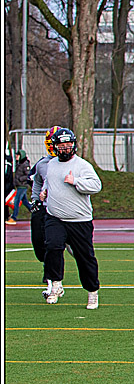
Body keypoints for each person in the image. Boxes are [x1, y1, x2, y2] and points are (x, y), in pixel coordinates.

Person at [40, 127, 103, 309]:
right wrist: (44, 192)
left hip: (79, 220)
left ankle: (92, 292)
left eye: (68, 145)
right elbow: (48, 182)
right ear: (55, 147)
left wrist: (75, 181)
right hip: (55, 217)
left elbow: (96, 186)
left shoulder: (82, 165)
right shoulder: (51, 164)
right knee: (52, 245)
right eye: (62, 145)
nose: (65, 148)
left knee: (85, 257)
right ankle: (56, 283)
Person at [30, 127, 60, 296]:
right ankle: (48, 271)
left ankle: (53, 279)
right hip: (45, 207)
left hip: (65, 210)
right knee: (40, 242)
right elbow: (36, 183)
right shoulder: (42, 164)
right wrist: (35, 200)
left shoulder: (74, 163)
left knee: (77, 249)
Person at [8, 149, 32, 224]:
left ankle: (14, 217)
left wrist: (20, 179)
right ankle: (35, 212)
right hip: (19, 185)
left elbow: (28, 175)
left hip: (23, 186)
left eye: (17, 155)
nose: (16, 157)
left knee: (17, 201)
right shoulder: (20, 163)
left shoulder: (25, 164)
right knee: (25, 202)